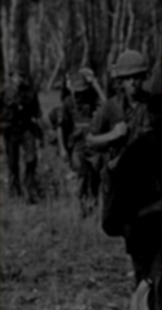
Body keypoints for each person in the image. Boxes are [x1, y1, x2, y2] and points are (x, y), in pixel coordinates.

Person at [86, 48, 162, 310]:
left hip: (155, 197)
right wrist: (113, 136)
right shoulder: (109, 109)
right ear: (118, 81)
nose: (133, 83)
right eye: (127, 78)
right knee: (148, 298)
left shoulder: (152, 105)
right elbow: (88, 140)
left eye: (138, 76)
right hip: (129, 206)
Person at [59, 68, 106, 217]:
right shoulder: (67, 103)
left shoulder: (92, 98)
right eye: (76, 91)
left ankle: (93, 204)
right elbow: (60, 127)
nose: (79, 95)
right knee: (81, 173)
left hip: (94, 143)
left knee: (96, 174)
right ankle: (82, 207)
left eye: (82, 91)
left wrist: (96, 85)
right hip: (77, 144)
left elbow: (108, 106)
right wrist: (62, 148)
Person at [1, 70, 42, 204]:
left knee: (31, 158)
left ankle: (30, 188)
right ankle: (14, 190)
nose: (20, 79)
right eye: (18, 76)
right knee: (12, 162)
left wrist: (41, 134)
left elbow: (37, 113)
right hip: (10, 130)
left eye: (22, 76)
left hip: (27, 129)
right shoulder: (4, 92)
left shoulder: (30, 92)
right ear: (11, 77)